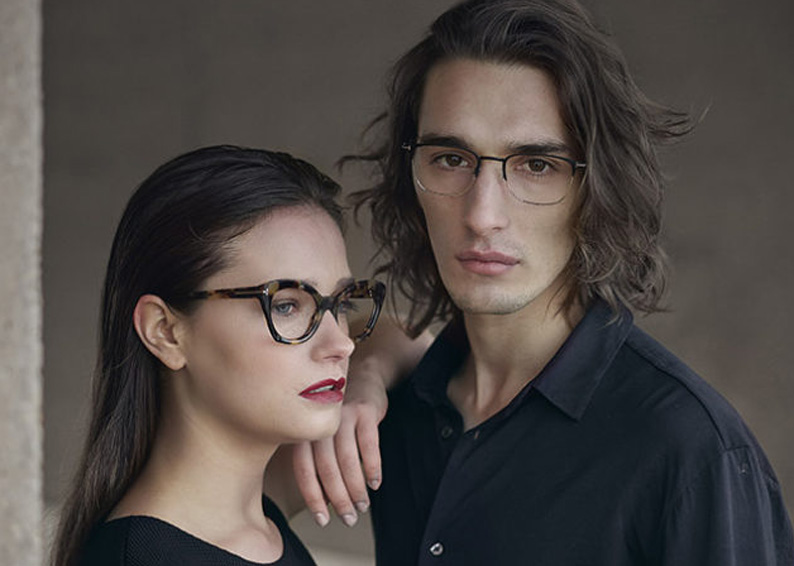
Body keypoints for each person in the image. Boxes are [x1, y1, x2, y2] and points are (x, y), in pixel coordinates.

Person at [291, 1, 794, 564]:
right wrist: (369, 368)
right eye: (450, 158)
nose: (482, 215)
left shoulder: (689, 450)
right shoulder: (398, 411)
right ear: (411, 175)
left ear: (597, 188)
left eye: (536, 165)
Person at [51, 145, 386, 566]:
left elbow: (405, 337)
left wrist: (370, 378)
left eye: (342, 304)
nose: (342, 344)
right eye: (286, 306)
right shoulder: (143, 556)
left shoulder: (253, 515)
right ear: (165, 332)